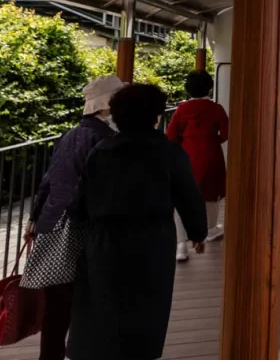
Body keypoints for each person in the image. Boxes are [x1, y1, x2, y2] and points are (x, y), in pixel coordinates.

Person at [66, 84, 207, 360]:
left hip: (104, 241)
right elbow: (188, 195)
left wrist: (83, 227)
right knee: (146, 310)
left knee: (103, 306)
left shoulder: (102, 151)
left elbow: (79, 203)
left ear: (116, 116)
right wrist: (197, 233)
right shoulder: (169, 153)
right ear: (156, 117)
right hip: (151, 241)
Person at [22, 75, 125, 360]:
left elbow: (50, 178)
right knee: (88, 297)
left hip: (53, 222)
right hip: (81, 226)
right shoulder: (105, 139)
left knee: (57, 302)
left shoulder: (71, 134)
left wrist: (34, 218)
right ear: (107, 107)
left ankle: (50, 355)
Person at [165, 70, 228, 261]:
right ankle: (210, 229)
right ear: (209, 87)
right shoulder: (216, 109)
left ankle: (181, 246)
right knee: (211, 194)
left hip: (186, 155)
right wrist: (212, 139)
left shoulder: (182, 110)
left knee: (182, 197)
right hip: (211, 153)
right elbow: (225, 133)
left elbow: (171, 136)